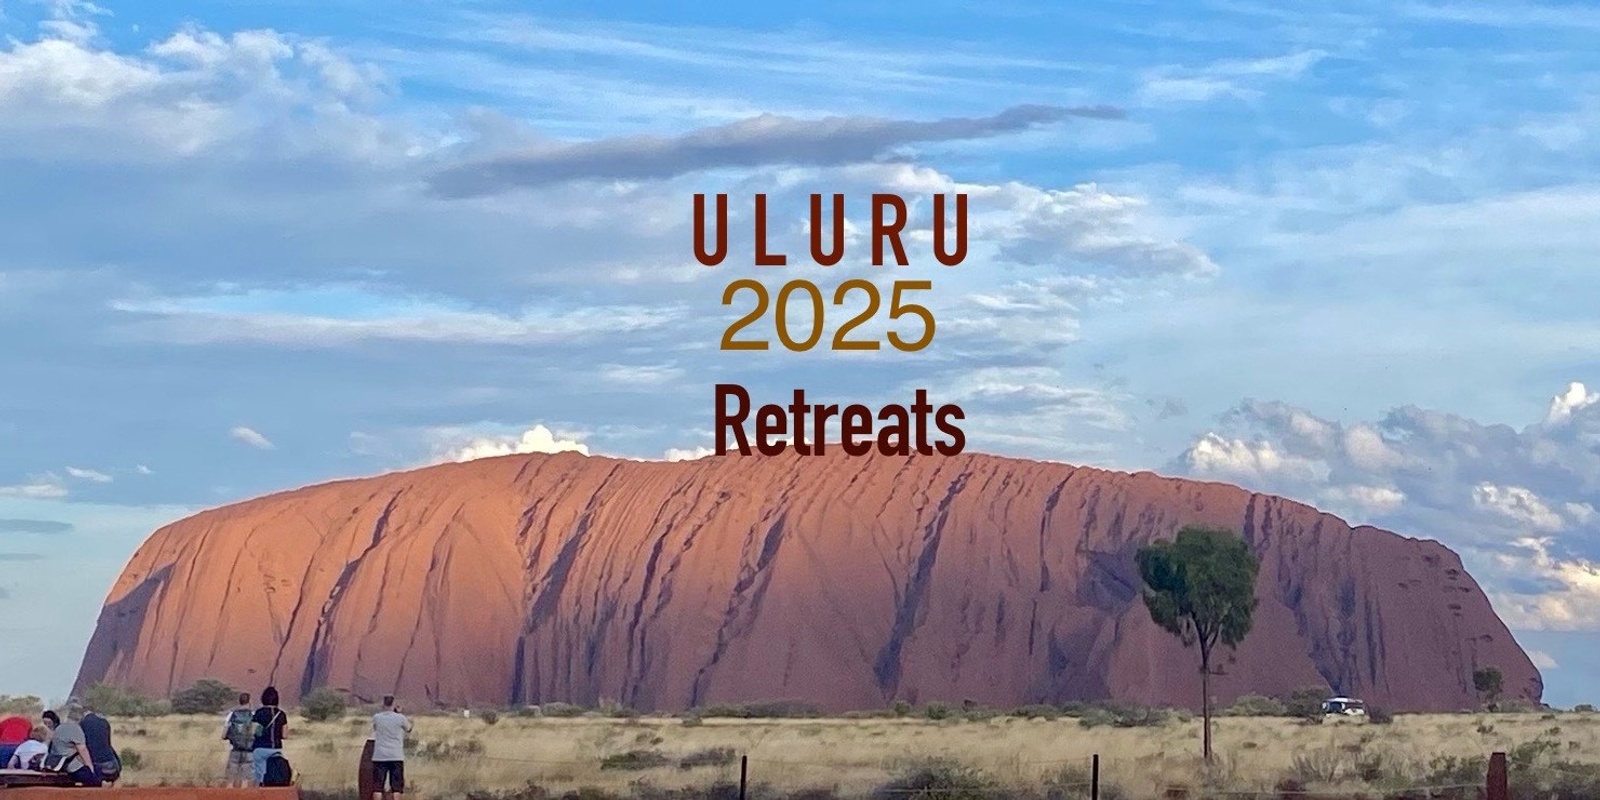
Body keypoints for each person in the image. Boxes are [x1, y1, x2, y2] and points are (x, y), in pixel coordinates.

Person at [44, 706, 100, 786]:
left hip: (59, 765)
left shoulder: (59, 728)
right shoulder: (74, 728)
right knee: (95, 781)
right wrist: (91, 768)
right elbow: (83, 750)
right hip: (73, 767)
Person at [369, 696, 412, 800]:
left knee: (377, 787)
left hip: (379, 756)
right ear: (394, 705)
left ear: (383, 704)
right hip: (396, 756)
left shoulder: (377, 717)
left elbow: (375, 728)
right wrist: (398, 713)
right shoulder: (400, 718)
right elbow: (409, 729)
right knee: (396, 787)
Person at [250, 686, 287, 786]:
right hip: (276, 748)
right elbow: (285, 735)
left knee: (260, 776)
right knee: (274, 773)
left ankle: (261, 793)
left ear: (263, 699)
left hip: (260, 748)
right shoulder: (281, 714)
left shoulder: (258, 713)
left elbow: (253, 731)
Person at [79, 702, 120, 785]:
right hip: (110, 764)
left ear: (83, 713)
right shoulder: (104, 722)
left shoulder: (82, 723)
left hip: (95, 764)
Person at [221, 692, 255, 787]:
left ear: (239, 701)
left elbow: (223, 735)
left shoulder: (232, 714)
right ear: (249, 701)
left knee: (230, 780)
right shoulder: (253, 715)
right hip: (249, 751)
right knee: (245, 781)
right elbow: (258, 732)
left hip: (235, 750)